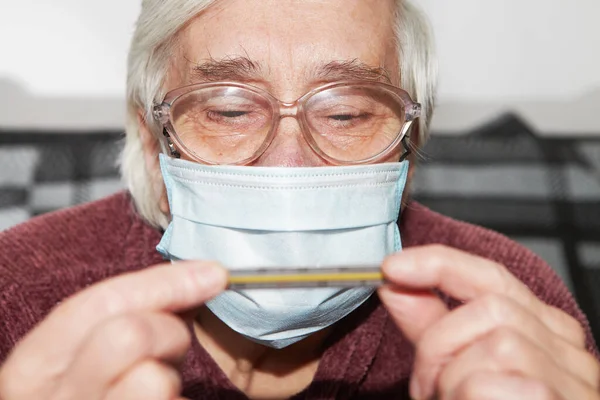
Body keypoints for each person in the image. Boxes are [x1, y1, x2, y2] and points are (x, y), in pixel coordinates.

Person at [0, 0, 598, 399]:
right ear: (155, 146)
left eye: (347, 112)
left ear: (408, 148)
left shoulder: (499, 306)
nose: (289, 165)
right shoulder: (19, 295)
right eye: (229, 109)